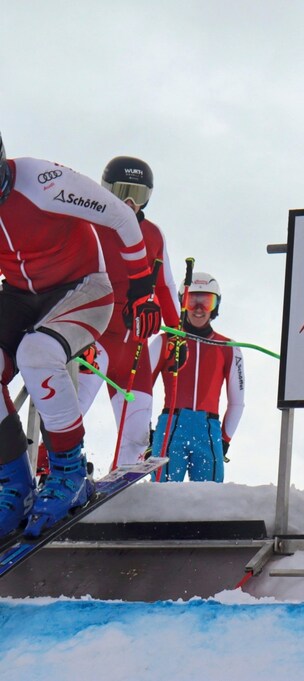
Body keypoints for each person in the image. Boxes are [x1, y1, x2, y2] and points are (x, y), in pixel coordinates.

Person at [0, 132, 162, 538]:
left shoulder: (41, 181)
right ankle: (14, 486)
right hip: (20, 294)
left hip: (83, 287)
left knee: (37, 354)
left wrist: (143, 291)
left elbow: (122, 217)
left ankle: (69, 474)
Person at [76, 157, 181, 468]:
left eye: (139, 194)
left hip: (133, 347)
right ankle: (50, 470)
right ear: (106, 191)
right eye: (122, 192)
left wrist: (178, 336)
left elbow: (165, 286)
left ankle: (125, 484)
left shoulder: (153, 235)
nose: (130, 203)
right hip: (94, 340)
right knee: (70, 415)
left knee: (137, 434)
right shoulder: (89, 226)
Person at [149, 272, 245, 482]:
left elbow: (237, 402)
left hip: (208, 429)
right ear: (182, 303)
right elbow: (140, 389)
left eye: (207, 302)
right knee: (162, 496)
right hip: (171, 425)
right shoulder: (166, 341)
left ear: (216, 306)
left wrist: (224, 439)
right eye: (192, 301)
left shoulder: (229, 348)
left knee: (209, 501)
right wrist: (144, 431)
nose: (199, 309)